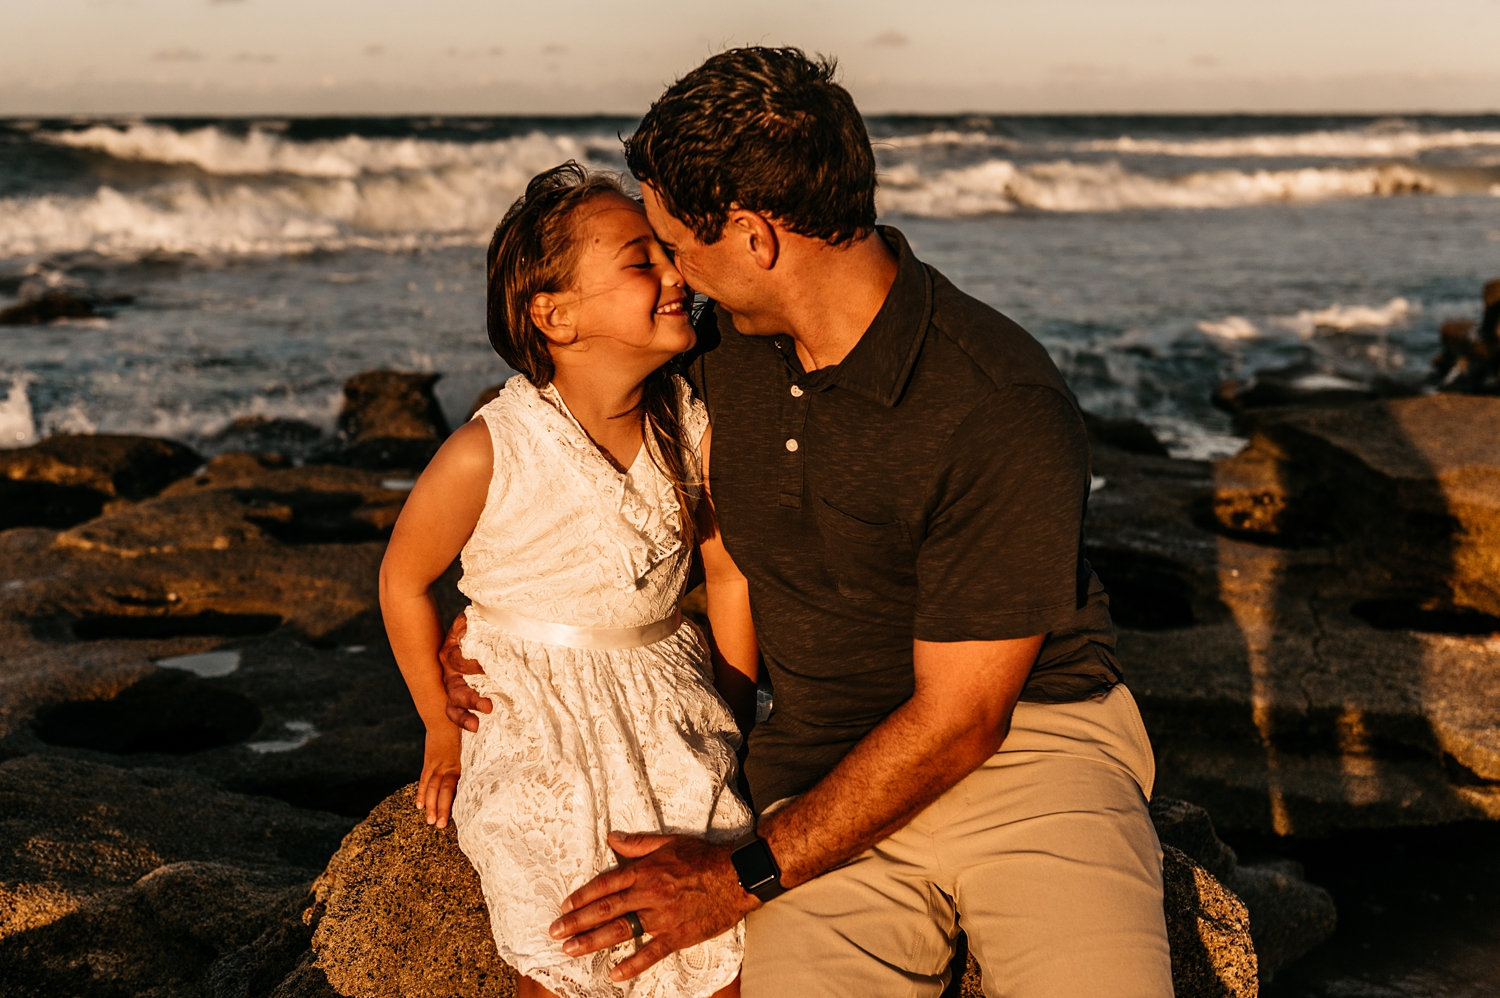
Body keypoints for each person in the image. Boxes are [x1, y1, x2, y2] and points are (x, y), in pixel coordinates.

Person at [446, 47, 1174, 998]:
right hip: (819, 771)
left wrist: (734, 878)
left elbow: (962, 721)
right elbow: (576, 464)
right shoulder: (712, 360)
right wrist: (512, 616)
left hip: (1030, 753)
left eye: (676, 242)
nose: (675, 274)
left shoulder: (995, 401)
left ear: (753, 237)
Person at [380, 162, 756, 998]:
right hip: (534, 709)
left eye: (668, 252)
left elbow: (726, 574)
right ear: (553, 314)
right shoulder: (493, 447)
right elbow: (405, 579)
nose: (673, 274)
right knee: (561, 929)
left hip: (666, 696)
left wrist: (730, 703)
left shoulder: (688, 428)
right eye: (639, 260)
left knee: (711, 942)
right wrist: (440, 726)